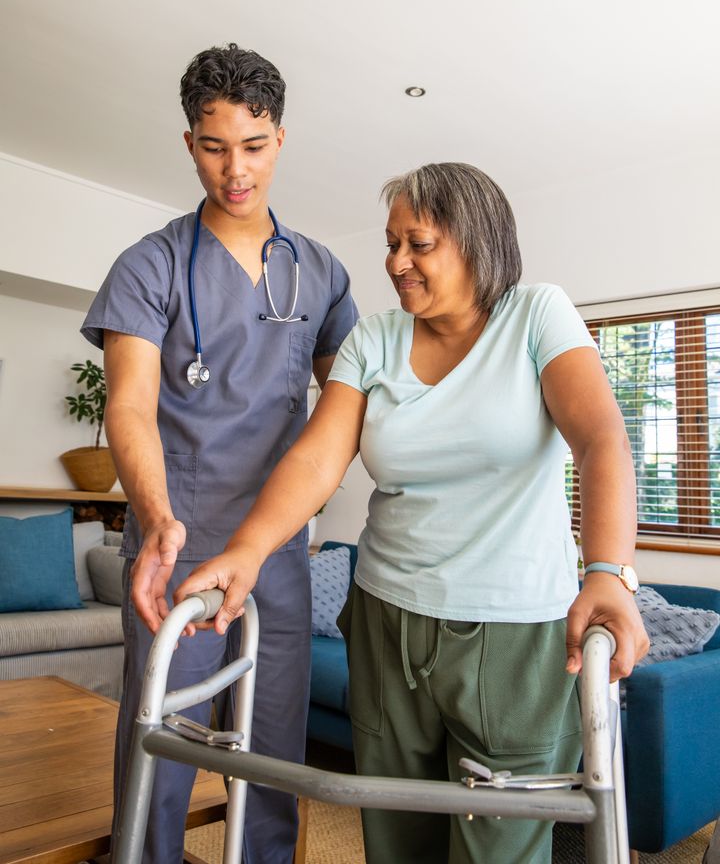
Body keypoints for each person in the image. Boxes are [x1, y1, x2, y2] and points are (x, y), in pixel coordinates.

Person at [176, 161, 649, 864]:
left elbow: (601, 440)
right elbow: (316, 461)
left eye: (418, 244)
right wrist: (247, 550)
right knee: (397, 839)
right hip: (386, 622)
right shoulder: (374, 339)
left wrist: (608, 572)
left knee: (501, 849)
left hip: (517, 635)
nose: (396, 262)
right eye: (391, 243)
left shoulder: (536, 315)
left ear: (478, 243)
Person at [80, 43, 358, 864]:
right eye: (214, 147)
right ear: (189, 143)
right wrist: (157, 519)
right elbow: (129, 405)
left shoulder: (321, 273)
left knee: (272, 754)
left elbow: (345, 409)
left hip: (276, 550)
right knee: (160, 745)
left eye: (254, 146)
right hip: (180, 541)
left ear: (281, 140)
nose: (235, 170)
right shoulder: (151, 264)